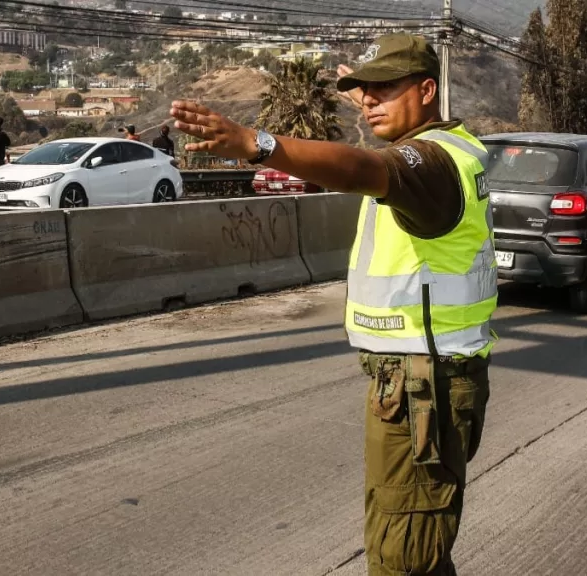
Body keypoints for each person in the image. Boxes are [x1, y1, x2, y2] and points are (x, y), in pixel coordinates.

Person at [170, 33, 496, 576]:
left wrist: (258, 143)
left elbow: (364, 170)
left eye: (384, 89)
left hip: (425, 388)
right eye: (362, 92)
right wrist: (376, 95)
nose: (368, 100)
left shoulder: (431, 163)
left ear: (428, 90)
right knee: (414, 544)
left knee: (402, 557)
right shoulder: (450, 146)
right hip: (420, 381)